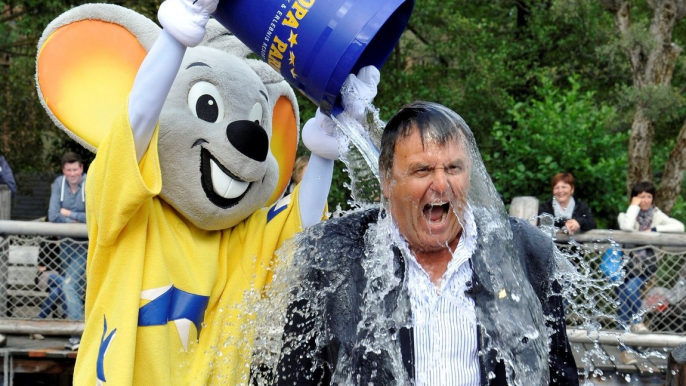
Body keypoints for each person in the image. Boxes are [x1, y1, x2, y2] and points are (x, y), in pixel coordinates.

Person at [266, 102, 578, 385]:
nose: (441, 184)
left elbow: (559, 375)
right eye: (423, 170)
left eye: (453, 168)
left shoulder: (521, 252)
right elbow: (297, 378)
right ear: (387, 180)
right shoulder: (334, 260)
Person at [615, 181, 684, 364]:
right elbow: (627, 227)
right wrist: (633, 207)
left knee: (630, 289)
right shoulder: (625, 215)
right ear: (633, 198)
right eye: (641, 196)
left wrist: (654, 229)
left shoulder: (657, 216)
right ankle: (625, 350)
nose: (645, 200)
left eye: (648, 196)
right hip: (624, 266)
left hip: (645, 267)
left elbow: (679, 227)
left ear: (653, 199)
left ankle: (637, 321)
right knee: (623, 304)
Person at [48, 151, 87, 350]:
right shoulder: (58, 184)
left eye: (76, 169)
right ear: (64, 171)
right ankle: (79, 331)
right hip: (66, 246)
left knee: (70, 284)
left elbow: (94, 216)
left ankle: (78, 334)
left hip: (85, 246)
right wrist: (75, 218)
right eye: (68, 170)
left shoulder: (90, 183)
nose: (72, 173)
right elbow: (53, 215)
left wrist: (69, 213)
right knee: (73, 287)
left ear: (81, 168)